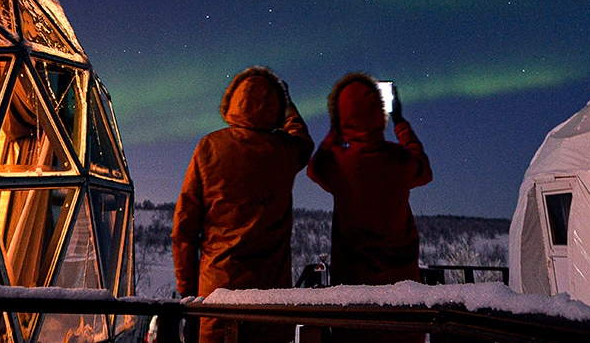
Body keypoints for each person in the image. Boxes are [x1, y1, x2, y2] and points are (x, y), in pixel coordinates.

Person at [172, 66, 314, 343]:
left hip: (217, 299)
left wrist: (189, 291)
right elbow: (303, 140)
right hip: (271, 308)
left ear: (232, 102)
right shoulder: (285, 151)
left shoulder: (209, 147)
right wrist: (288, 105)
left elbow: (184, 228)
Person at [308, 73, 432, 287]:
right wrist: (400, 122)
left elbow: (314, 169)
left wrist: (335, 132)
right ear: (380, 111)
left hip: (353, 285)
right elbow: (424, 171)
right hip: (402, 284)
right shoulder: (399, 159)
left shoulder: (339, 163)